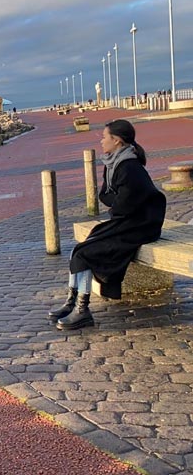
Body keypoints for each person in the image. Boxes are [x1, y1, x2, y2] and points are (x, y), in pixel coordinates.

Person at [48, 119, 166, 330]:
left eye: (104, 137)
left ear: (117, 140)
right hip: (127, 220)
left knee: (86, 253)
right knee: (79, 248)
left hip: (141, 225)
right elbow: (106, 197)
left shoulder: (130, 167)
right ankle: (72, 302)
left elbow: (122, 205)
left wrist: (116, 202)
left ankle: (82, 311)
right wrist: (116, 201)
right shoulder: (113, 163)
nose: (101, 141)